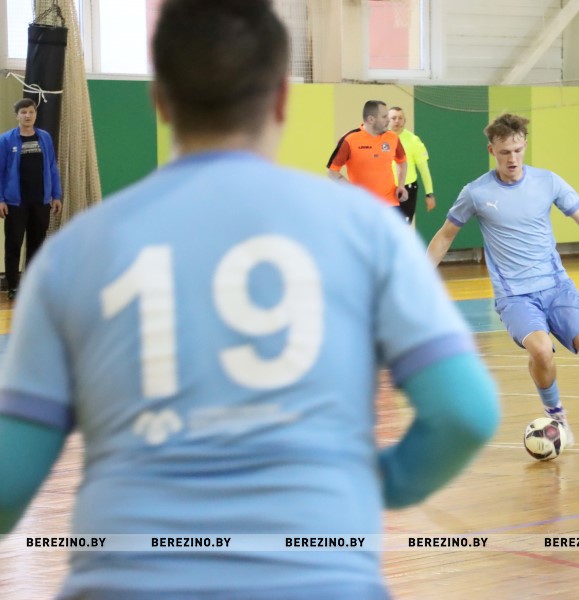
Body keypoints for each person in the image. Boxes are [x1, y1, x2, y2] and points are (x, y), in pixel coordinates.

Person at [0, 2, 499, 599]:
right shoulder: (369, 232)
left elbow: (9, 481)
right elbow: (467, 412)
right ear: (281, 100)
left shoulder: (76, 252)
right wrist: (381, 483)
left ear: (161, 101)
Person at [427, 113, 579, 458]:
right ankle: (557, 416)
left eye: (518, 150)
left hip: (557, 287)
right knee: (541, 350)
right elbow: (445, 236)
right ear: (492, 151)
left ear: (525, 146)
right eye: (505, 152)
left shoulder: (548, 182)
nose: (513, 158)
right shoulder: (476, 193)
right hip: (515, 296)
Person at [0, 97, 63, 301]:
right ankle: (13, 286)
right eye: (23, 112)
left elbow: (52, 167)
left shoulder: (44, 138)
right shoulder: (6, 140)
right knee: (13, 245)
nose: (27, 116)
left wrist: (56, 195)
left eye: (31, 112)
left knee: (37, 245)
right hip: (15, 203)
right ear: (17, 116)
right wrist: (1, 199)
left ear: (35, 115)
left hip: (41, 202)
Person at [327, 99, 410, 221]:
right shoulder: (349, 140)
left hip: (390, 204)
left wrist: (401, 185)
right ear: (371, 119)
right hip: (362, 206)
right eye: (384, 117)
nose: (388, 120)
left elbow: (402, 161)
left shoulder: (392, 137)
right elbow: (332, 171)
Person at [388, 106, 437, 223]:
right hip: (386, 189)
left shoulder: (414, 140)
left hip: (407, 189)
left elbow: (424, 169)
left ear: (405, 121)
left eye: (400, 118)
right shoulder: (380, 139)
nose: (397, 121)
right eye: (393, 118)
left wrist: (429, 194)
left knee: (403, 225)